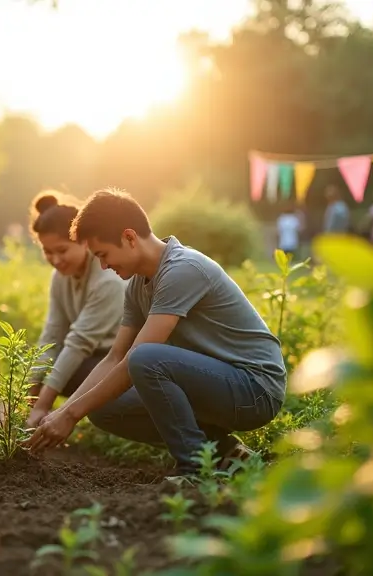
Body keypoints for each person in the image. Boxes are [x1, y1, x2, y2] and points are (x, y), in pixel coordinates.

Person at [25, 188, 287, 477]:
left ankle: (194, 469)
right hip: (213, 384)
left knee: (146, 358)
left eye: (104, 254)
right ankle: (222, 451)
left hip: (255, 389)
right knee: (104, 409)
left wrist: (70, 414)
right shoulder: (137, 285)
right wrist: (65, 412)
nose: (104, 265)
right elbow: (114, 357)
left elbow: (137, 358)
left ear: (129, 237)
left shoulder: (182, 269)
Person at [23, 191, 126, 428]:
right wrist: (26, 400)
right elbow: (52, 336)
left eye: (62, 250)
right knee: (52, 360)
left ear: (83, 241)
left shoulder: (108, 280)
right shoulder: (60, 277)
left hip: (115, 361)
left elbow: (79, 343)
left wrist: (42, 407)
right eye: (48, 252)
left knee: (69, 365)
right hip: (88, 358)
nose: (55, 260)